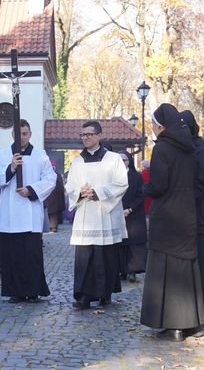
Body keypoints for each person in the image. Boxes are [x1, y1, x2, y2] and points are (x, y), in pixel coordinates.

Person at [140, 104, 204, 342]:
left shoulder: (163, 149)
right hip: (186, 212)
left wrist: (143, 186)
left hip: (166, 215)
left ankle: (170, 324)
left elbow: (159, 185)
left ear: (160, 126)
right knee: (184, 267)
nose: (153, 128)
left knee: (164, 268)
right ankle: (186, 324)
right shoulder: (189, 148)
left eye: (154, 124)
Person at [0, 119, 56, 303]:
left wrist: (32, 190)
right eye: (18, 134)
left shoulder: (40, 155)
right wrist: (11, 168)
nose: (22, 137)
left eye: (25, 133)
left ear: (30, 134)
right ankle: (15, 291)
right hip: (10, 214)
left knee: (31, 255)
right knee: (12, 256)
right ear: (12, 135)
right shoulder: (3, 155)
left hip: (30, 211)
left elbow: (51, 179)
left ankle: (33, 290)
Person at [65, 121, 128, 309]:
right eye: (83, 135)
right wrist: (80, 191)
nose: (85, 138)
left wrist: (98, 193)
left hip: (105, 213)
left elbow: (121, 183)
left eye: (89, 134)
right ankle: (83, 296)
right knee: (85, 258)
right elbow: (70, 185)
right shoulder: (77, 161)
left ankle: (104, 294)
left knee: (105, 256)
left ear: (99, 135)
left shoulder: (113, 159)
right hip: (86, 214)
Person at [181, 110, 204, 322]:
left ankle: (203, 312)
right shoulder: (189, 148)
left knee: (200, 262)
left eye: (186, 126)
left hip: (197, 214)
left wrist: (182, 199)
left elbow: (203, 186)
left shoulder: (201, 151)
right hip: (186, 214)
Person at [118, 150, 148, 283]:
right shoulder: (113, 176)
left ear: (129, 161)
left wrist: (130, 209)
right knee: (120, 244)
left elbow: (141, 195)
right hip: (117, 213)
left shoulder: (136, 176)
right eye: (119, 160)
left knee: (133, 244)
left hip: (133, 214)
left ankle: (132, 271)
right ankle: (122, 270)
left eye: (124, 160)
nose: (122, 162)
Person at [45, 161, 65, 233]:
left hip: (54, 197)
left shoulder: (56, 175)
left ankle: (53, 227)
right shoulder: (54, 174)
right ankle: (51, 226)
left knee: (53, 213)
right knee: (51, 213)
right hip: (51, 197)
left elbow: (60, 187)